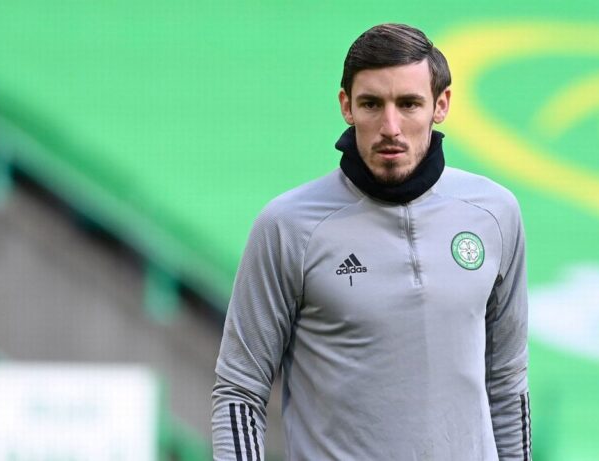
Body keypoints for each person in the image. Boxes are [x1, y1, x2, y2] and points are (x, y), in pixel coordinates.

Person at [212, 23, 531, 460]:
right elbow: (239, 390)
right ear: (347, 106)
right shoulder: (288, 225)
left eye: (409, 104)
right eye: (371, 104)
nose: (390, 126)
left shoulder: (495, 213)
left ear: (441, 105)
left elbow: (509, 384)